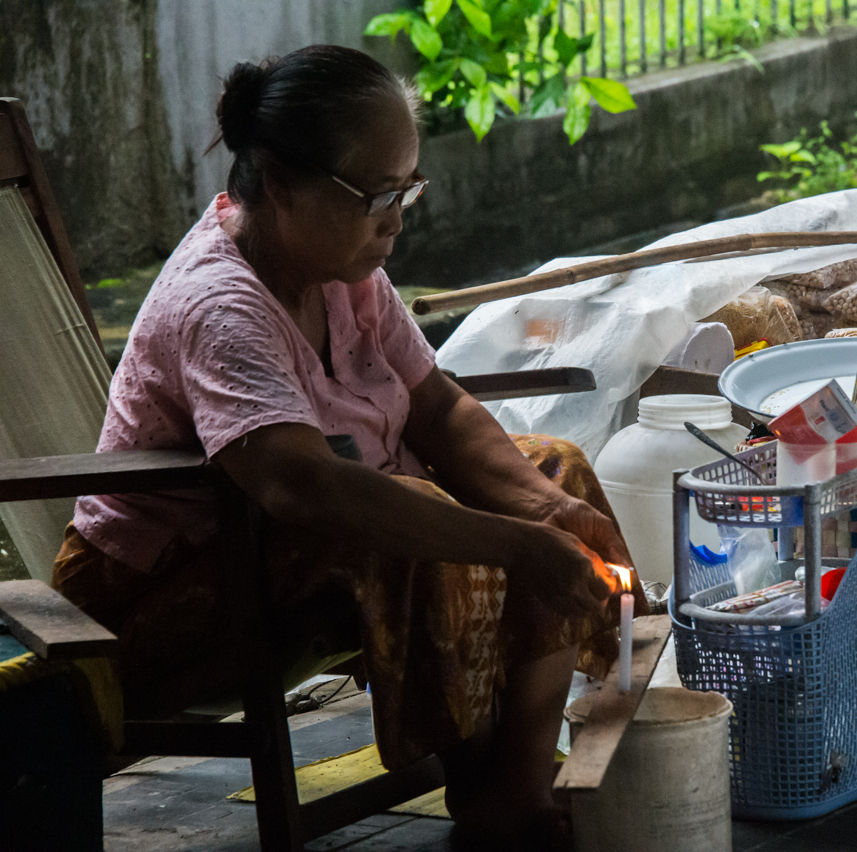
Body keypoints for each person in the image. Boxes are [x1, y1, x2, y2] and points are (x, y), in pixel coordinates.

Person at [51, 44, 644, 850]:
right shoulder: (219, 306)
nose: (396, 219)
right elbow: (304, 487)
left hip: (276, 558)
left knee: (553, 468)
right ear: (281, 183)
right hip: (148, 611)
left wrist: (551, 511)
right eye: (375, 195)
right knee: (422, 518)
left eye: (405, 190)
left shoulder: (343, 265)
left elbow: (436, 407)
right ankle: (495, 788)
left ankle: (516, 786)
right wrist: (519, 545)